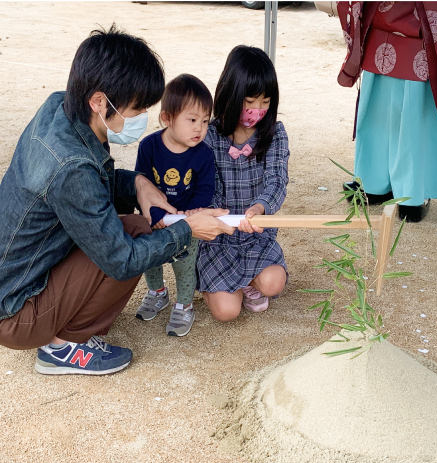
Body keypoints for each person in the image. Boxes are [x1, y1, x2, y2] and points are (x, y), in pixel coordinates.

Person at [0, 25, 233, 376]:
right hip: (14, 313)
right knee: (134, 238)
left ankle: (63, 328)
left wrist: (138, 182)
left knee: (134, 225)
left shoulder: (61, 108)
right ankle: (64, 348)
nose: (141, 119)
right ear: (99, 101)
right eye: (137, 108)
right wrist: (186, 229)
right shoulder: (71, 167)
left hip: (15, 279)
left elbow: (95, 185)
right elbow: (122, 260)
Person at [337, 1, 437, 222]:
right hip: (426, 28)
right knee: (415, 119)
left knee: (381, 111)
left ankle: (373, 184)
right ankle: (410, 195)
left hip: (389, 24)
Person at [197, 45, 289, 322]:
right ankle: (209, 282)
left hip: (255, 233)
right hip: (217, 235)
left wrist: (259, 209)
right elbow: (206, 186)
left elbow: (277, 180)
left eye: (265, 102)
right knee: (227, 312)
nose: (257, 110)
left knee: (274, 283)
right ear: (231, 94)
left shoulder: (274, 135)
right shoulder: (209, 135)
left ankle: (247, 281)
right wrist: (221, 217)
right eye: (250, 101)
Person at [134, 74, 215, 337]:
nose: (199, 129)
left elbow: (205, 189)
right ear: (167, 118)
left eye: (205, 121)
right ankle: (157, 293)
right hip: (154, 220)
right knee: (151, 261)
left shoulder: (204, 153)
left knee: (184, 265)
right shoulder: (149, 146)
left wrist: (194, 212)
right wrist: (155, 214)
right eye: (191, 120)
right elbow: (142, 184)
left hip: (186, 223)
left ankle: (184, 304)